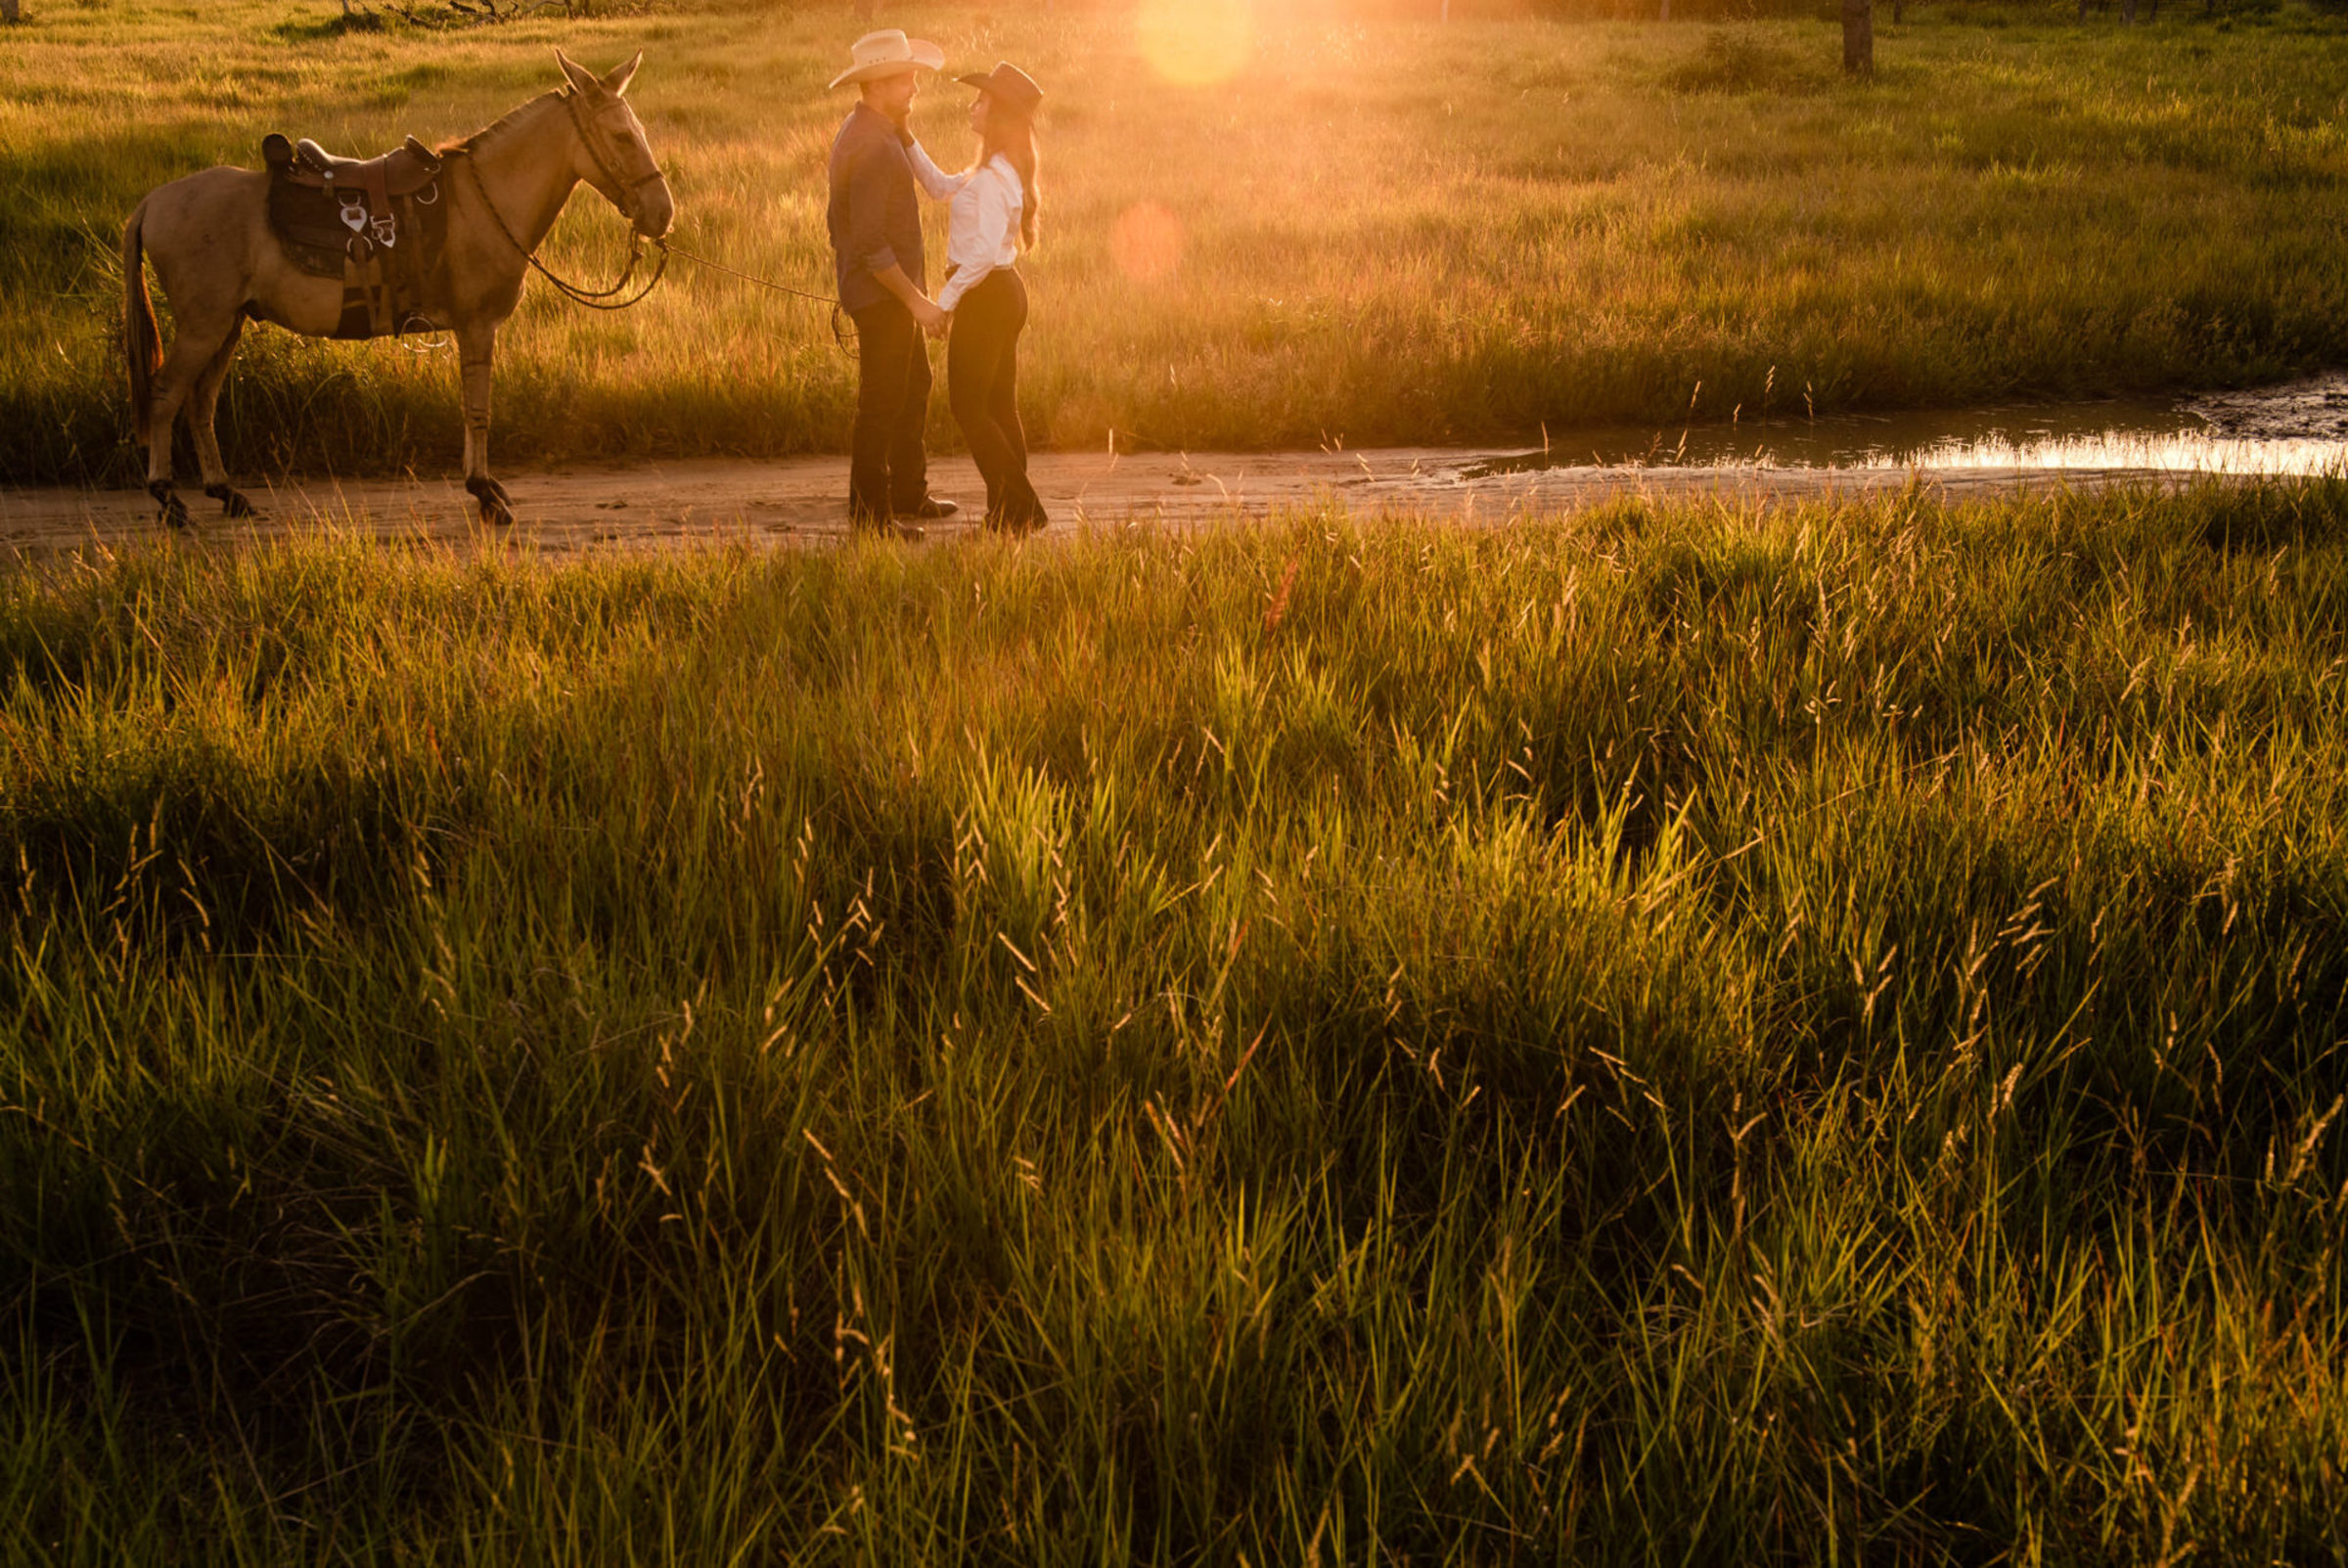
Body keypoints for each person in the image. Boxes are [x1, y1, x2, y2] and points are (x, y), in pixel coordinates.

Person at [827, 29, 960, 537]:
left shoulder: (867, 130)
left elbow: (838, 223)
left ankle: (907, 491)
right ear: (878, 84)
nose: (915, 87)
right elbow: (872, 245)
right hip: (885, 295)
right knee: (881, 402)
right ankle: (871, 517)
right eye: (906, 78)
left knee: (913, 384)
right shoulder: (874, 147)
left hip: (884, 291)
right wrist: (919, 303)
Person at [906, 64, 1047, 534]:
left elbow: (982, 255)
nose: (973, 104)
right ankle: (1007, 513)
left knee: (969, 407)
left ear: (999, 112)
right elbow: (940, 186)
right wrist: (905, 139)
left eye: (982, 100)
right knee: (1000, 407)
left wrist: (943, 303)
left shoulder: (991, 179)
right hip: (1003, 294)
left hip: (987, 296)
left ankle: (1021, 506)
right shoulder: (994, 169)